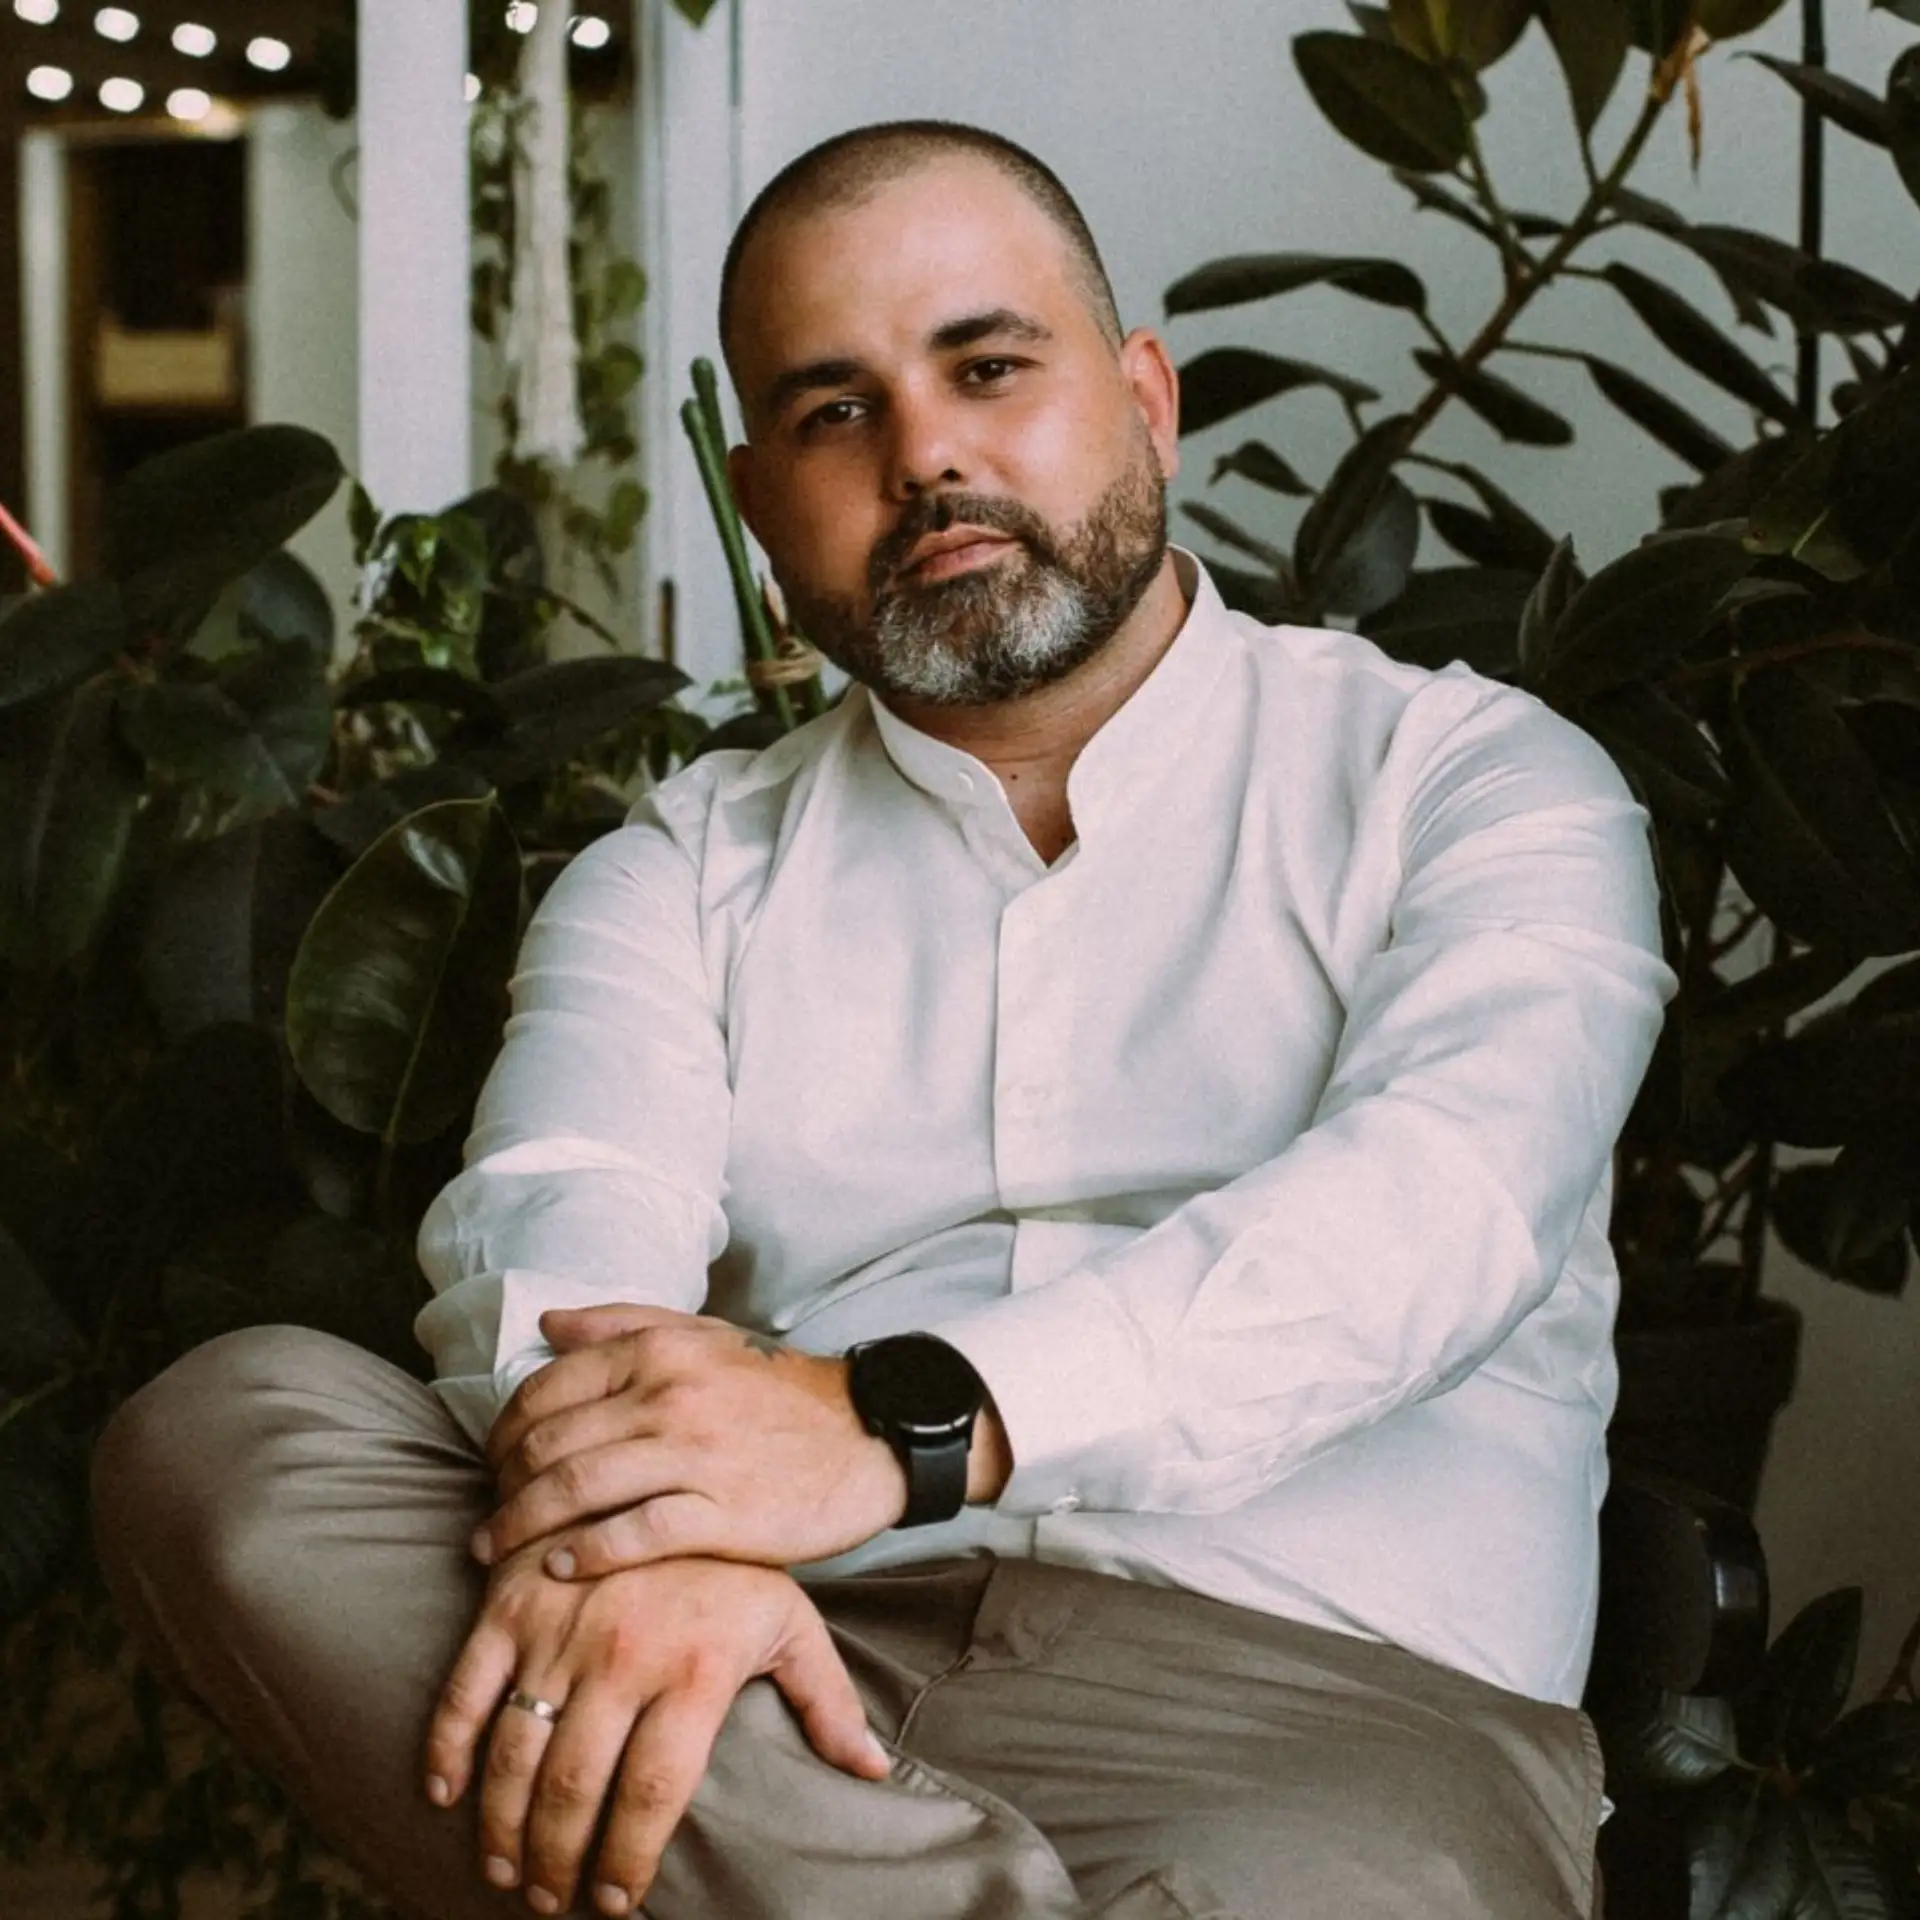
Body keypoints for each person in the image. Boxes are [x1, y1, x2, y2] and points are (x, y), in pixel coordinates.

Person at [93, 119, 1675, 1920]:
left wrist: (890, 1427)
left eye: (988, 368)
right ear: (764, 507)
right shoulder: (679, 869)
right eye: (836, 410)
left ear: (1147, 401)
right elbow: (559, 1233)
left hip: (1320, 1713)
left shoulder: (1473, 783)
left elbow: (1438, 1215)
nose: (925, 454)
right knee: (229, 1444)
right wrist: (655, 1540)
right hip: (769, 1665)